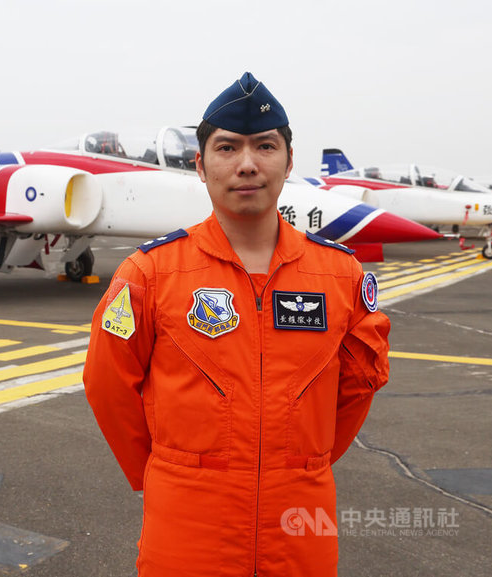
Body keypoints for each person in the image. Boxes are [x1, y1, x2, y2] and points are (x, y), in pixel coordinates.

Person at [83, 72, 390, 576]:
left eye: (265, 146)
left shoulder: (340, 274)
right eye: (227, 148)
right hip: (185, 525)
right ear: (201, 166)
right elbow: (108, 384)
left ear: (289, 162)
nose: (247, 164)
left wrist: (302, 463)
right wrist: (170, 473)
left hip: (302, 521)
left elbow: (359, 385)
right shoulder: (151, 272)